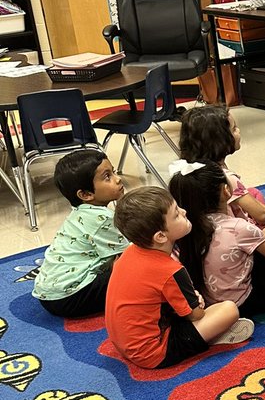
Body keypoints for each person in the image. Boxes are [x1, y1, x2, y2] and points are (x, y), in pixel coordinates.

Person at [106, 187, 253, 369]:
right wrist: (195, 303)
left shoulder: (129, 252)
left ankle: (206, 334)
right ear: (160, 236)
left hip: (123, 342)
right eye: (176, 214)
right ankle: (211, 338)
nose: (184, 212)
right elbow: (196, 315)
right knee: (229, 309)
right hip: (153, 353)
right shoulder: (170, 270)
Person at [168, 162, 265, 317]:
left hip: (210, 304)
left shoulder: (184, 230)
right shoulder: (238, 227)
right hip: (246, 303)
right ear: (226, 190)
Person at [33, 149, 127, 318]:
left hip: (49, 294)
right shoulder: (101, 218)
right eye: (108, 177)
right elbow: (132, 253)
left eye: (113, 172)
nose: (117, 178)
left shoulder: (81, 212)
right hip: (70, 297)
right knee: (137, 271)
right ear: (85, 194)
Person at [178, 103, 265, 228]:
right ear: (218, 141)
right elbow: (262, 216)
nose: (238, 131)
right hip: (236, 233)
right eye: (234, 129)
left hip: (208, 229)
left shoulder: (192, 169)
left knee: (253, 192)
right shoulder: (224, 177)